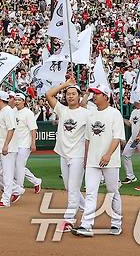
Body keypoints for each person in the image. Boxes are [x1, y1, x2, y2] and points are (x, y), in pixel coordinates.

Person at [71, 84, 124, 237]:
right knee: (90, 192)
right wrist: (87, 157)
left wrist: (108, 154)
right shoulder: (91, 114)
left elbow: (117, 137)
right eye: (94, 94)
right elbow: (87, 138)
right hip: (93, 161)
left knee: (112, 192)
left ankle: (116, 224)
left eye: (97, 94)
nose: (94, 96)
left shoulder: (115, 113)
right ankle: (86, 225)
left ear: (106, 96)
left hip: (111, 161)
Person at [45, 77, 88, 233]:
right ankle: (87, 208)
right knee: (69, 187)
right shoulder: (62, 110)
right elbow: (49, 95)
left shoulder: (86, 113)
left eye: (73, 93)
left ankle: (69, 220)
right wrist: (65, 84)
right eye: (68, 94)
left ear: (79, 96)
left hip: (78, 154)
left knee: (73, 187)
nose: (70, 96)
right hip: (64, 153)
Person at [13, 93, 43, 197]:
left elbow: (33, 129)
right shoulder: (13, 112)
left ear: (23, 101)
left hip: (25, 144)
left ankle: (19, 188)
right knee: (16, 166)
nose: (16, 101)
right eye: (15, 99)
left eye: (19, 100)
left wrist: (33, 143)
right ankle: (36, 181)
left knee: (19, 166)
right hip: (14, 144)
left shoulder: (28, 113)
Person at [121, 101, 140, 184]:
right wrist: (122, 118)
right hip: (133, 139)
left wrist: (139, 136)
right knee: (125, 154)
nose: (134, 102)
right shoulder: (134, 111)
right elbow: (130, 124)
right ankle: (130, 176)